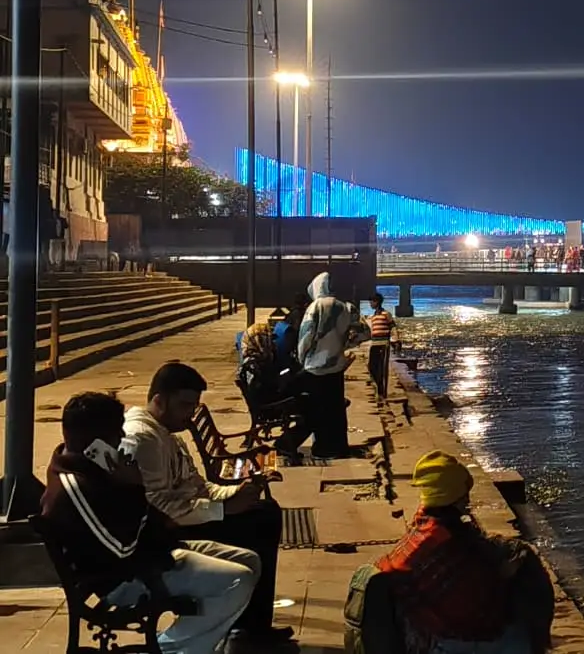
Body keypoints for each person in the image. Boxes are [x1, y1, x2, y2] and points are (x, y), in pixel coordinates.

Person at [41, 391, 259, 654]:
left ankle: (193, 642)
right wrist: (134, 487)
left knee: (250, 560)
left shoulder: (94, 466)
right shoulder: (73, 488)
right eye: (117, 433)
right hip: (124, 578)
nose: (122, 439)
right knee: (238, 579)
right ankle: (169, 649)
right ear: (96, 441)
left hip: (152, 554)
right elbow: (122, 549)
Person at [123, 362, 295, 649]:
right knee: (260, 524)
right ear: (158, 401)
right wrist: (224, 510)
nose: (190, 414)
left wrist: (233, 493)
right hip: (168, 532)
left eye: (194, 406)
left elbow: (198, 486)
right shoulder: (143, 438)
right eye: (185, 405)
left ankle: (251, 626)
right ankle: (248, 629)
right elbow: (158, 507)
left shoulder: (166, 433)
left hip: (189, 517)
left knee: (264, 512)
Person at [375, 451, 553, 654]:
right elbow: (475, 600)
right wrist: (504, 576)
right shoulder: (445, 540)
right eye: (464, 494)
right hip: (444, 641)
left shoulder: (422, 526)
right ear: (454, 496)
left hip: (423, 630)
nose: (468, 500)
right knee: (520, 635)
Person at [278, 272, 361, 458]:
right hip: (337, 368)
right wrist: (343, 345)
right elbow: (364, 333)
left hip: (315, 369)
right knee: (335, 409)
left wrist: (302, 358)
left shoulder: (315, 307)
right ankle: (337, 447)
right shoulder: (346, 307)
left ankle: (320, 448)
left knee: (317, 408)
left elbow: (305, 338)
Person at [366, 292, 396, 397]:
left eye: (371, 302)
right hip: (374, 343)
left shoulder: (386, 314)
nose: (370, 304)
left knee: (382, 367)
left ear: (377, 302)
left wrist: (396, 339)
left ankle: (381, 390)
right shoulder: (372, 316)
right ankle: (379, 385)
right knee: (371, 366)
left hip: (384, 343)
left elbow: (393, 327)